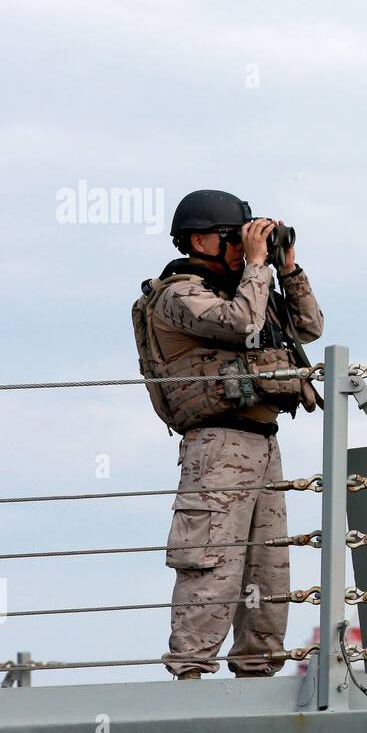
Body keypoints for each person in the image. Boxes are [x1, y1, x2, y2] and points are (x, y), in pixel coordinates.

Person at [131, 189, 323, 678]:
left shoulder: (250, 286)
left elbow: (310, 326)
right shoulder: (177, 295)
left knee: (268, 569)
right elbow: (240, 324)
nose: (242, 246)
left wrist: (287, 267)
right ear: (197, 240)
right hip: (216, 446)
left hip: (264, 442)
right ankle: (191, 676)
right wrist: (257, 265)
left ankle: (258, 675)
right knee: (211, 566)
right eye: (231, 238)